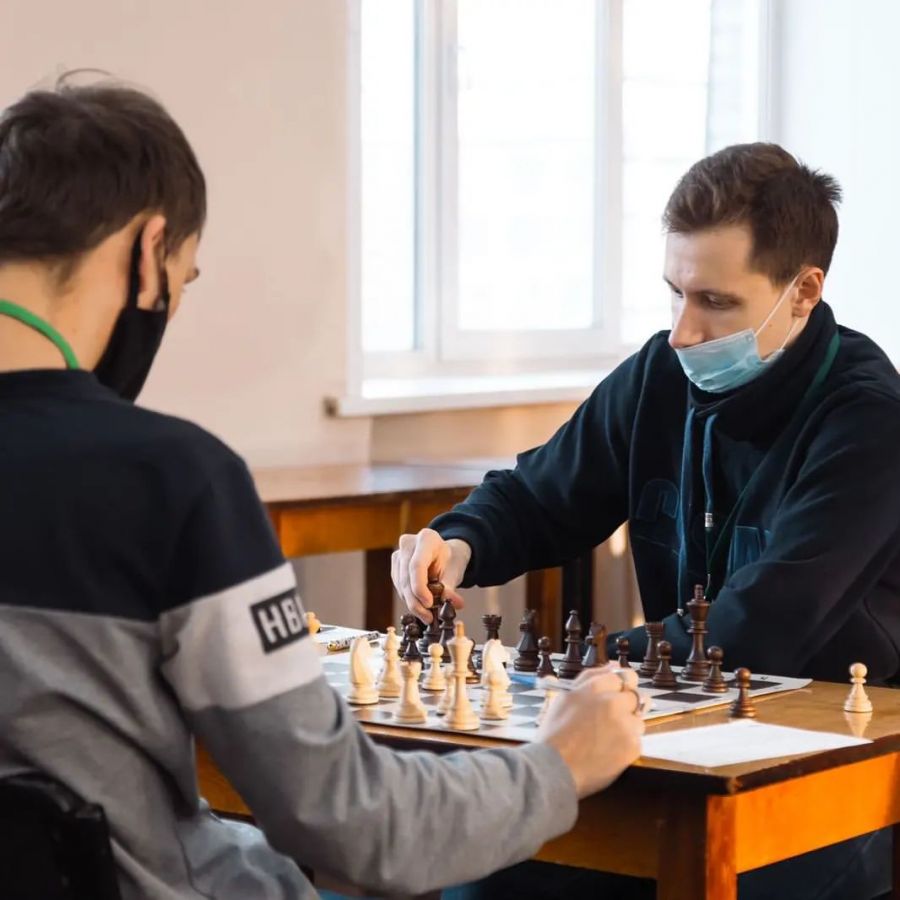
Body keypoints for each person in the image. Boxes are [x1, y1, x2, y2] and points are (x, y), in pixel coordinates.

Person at [0, 77, 644, 899]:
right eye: (184, 280)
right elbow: (356, 827)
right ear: (150, 248)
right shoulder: (171, 482)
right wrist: (560, 763)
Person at [394, 144, 899, 899]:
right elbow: (541, 495)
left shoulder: (870, 419)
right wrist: (461, 540)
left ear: (803, 291)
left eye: (715, 302)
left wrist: (573, 665)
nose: (683, 332)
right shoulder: (659, 375)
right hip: (676, 733)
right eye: (675, 293)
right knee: (487, 873)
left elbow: (766, 623)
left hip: (835, 767)